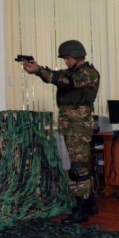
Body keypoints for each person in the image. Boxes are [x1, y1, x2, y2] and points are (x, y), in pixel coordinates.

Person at [22, 40, 100, 224]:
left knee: (78, 167)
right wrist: (37, 69)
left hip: (79, 125)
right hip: (70, 124)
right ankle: (90, 203)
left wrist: (39, 70)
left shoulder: (89, 73)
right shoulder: (70, 72)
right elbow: (55, 76)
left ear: (77, 55)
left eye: (67, 58)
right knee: (80, 165)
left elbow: (65, 82)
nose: (65, 61)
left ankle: (81, 210)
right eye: (64, 58)